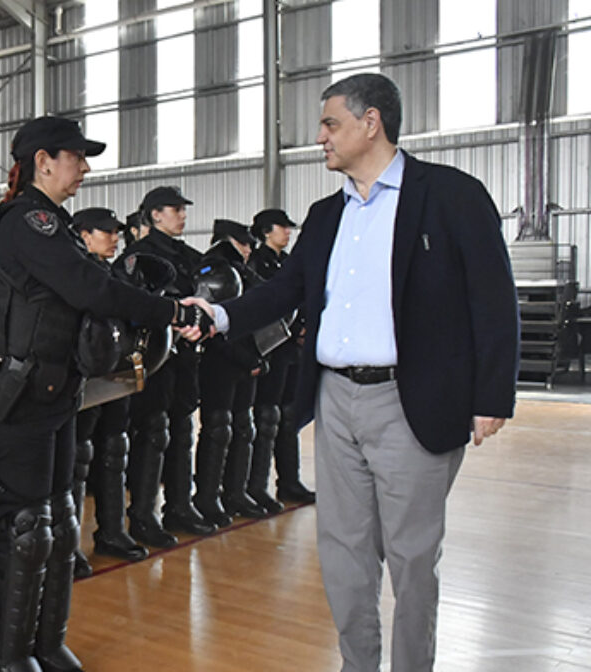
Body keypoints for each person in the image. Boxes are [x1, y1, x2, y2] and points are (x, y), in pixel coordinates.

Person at [190, 73, 519, 671]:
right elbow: (286, 289)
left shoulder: (451, 196)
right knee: (342, 550)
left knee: (412, 555)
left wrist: (492, 394)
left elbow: (493, 299)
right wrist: (218, 314)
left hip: (410, 400)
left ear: (372, 124)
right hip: (336, 400)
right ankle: (357, 663)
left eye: (330, 124)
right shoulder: (325, 215)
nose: (320, 137)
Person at [0, 116, 198, 672]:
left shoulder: (55, 224)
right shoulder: (29, 221)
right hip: (16, 399)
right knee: (22, 530)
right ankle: (11, 653)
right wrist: (168, 310)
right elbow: (90, 287)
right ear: (43, 160)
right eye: (77, 156)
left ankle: (48, 644)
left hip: (54, 392)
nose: (86, 167)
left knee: (59, 520)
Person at [119, 186, 216, 546]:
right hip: (156, 356)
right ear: (155, 214)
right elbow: (132, 305)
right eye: (175, 209)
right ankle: (143, 515)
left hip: (187, 355)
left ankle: (179, 505)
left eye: (182, 209)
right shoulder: (138, 256)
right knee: (153, 432)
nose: (183, 215)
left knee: (182, 429)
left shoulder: (189, 255)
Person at [70, 207, 149, 572]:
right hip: (85, 379)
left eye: (117, 232)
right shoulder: (74, 276)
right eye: (106, 232)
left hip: (114, 378)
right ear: (84, 236)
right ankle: (68, 545)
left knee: (114, 450)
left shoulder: (115, 274)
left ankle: (112, 531)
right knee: (78, 458)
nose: (115, 238)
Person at [193, 220, 269, 524]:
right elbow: (213, 323)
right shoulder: (215, 269)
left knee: (241, 427)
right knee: (218, 428)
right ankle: (208, 497)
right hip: (223, 360)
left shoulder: (242, 269)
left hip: (246, 356)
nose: (249, 249)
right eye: (245, 243)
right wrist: (245, 356)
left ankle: (234, 492)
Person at [247, 208, 315, 506]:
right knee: (266, 416)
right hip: (271, 348)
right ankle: (255, 485)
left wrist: (303, 328)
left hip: (291, 349)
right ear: (266, 231)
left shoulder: (287, 262)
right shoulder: (257, 263)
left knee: (288, 415)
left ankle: (289, 481)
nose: (288, 233)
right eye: (282, 228)